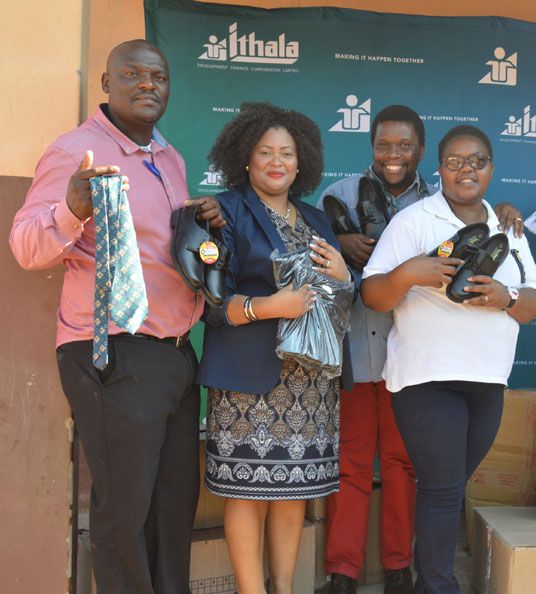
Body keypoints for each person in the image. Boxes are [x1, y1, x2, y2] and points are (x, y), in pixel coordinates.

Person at [9, 40, 224, 594]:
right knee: (124, 512)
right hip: (110, 350)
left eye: (158, 76)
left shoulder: (168, 157)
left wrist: (199, 222)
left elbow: (157, 246)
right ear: (106, 84)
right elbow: (28, 248)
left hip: (176, 353)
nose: (147, 84)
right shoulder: (75, 151)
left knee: (172, 507)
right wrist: (71, 209)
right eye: (131, 74)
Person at [317, 107, 525, 594]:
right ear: (371, 146)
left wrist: (506, 213)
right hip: (357, 345)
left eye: (404, 146)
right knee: (350, 462)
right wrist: (339, 239)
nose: (393, 155)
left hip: (409, 356)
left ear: (422, 152)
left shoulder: (440, 203)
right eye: (384, 145)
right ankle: (343, 573)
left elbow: (479, 221)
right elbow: (320, 251)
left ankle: (398, 570)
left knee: (404, 466)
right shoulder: (338, 196)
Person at [360, 124, 536, 594]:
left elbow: (534, 304)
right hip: (428, 378)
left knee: (447, 489)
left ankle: (431, 582)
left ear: (491, 168)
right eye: (454, 161)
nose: (466, 170)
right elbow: (372, 296)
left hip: (487, 379)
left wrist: (505, 296)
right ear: (439, 167)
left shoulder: (510, 229)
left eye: (477, 161)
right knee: (442, 489)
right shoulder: (415, 221)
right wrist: (411, 272)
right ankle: (438, 586)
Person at [196, 102, 354, 594]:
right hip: (250, 378)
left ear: (301, 161)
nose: (276, 161)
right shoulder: (224, 211)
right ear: (246, 158)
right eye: (265, 152)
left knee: (293, 493)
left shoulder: (315, 219)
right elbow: (212, 302)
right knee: (246, 492)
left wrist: (345, 276)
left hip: (311, 386)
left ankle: (284, 588)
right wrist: (271, 307)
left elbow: (339, 296)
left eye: (286, 152)